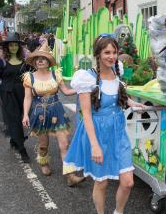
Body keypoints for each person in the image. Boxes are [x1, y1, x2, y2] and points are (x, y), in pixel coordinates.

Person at [64, 34, 145, 214]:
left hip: (118, 132)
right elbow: (86, 114)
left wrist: (132, 103)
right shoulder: (88, 78)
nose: (112, 56)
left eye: (114, 52)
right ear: (98, 54)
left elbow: (118, 95)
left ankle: (118, 212)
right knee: (102, 182)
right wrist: (95, 146)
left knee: (128, 182)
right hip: (97, 133)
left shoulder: (117, 71)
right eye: (107, 52)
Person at [22, 41, 85, 186]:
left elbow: (67, 92)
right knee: (43, 144)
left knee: (64, 144)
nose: (40, 61)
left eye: (43, 58)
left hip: (57, 110)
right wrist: (25, 115)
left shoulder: (56, 74)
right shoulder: (29, 77)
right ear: (34, 62)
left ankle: (70, 175)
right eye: (37, 59)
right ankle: (44, 163)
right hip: (39, 113)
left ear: (48, 61)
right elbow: (27, 97)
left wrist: (83, 88)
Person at [0, 32, 33, 163]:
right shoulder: (1, 60)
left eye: (15, 45)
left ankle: (14, 140)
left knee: (21, 118)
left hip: (23, 93)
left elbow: (31, 75)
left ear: (19, 47)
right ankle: (22, 149)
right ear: (7, 47)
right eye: (11, 45)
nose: (13, 47)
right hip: (7, 93)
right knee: (14, 119)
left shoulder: (25, 61)